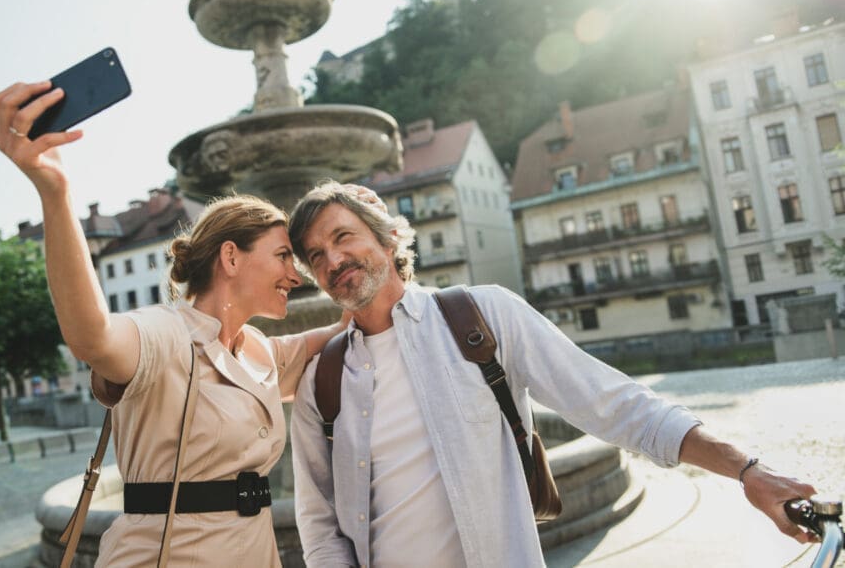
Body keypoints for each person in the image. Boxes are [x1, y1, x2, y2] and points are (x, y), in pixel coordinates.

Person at [287, 181, 820, 568]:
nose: (333, 259)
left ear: (386, 239)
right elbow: (319, 522)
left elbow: (616, 404)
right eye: (317, 255)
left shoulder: (480, 317)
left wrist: (746, 469)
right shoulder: (322, 381)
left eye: (344, 237)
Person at [0, 81, 348, 567]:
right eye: (284, 256)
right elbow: (90, 335)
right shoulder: (164, 333)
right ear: (231, 257)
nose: (295, 274)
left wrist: (373, 258)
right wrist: (55, 193)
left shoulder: (259, 350)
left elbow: (335, 333)